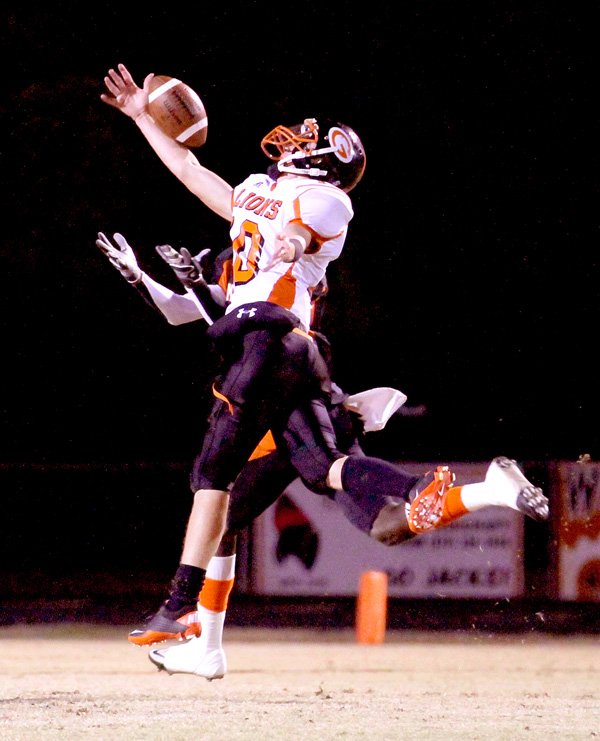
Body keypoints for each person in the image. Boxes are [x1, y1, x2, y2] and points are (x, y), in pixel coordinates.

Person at [100, 63, 550, 680]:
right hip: (287, 355)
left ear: (327, 161)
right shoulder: (256, 195)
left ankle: (181, 608)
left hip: (271, 345)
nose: (295, 139)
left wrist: (285, 242)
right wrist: (144, 118)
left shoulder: (326, 199)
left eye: (309, 140)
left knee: (213, 478)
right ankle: (479, 491)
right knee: (332, 478)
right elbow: (188, 170)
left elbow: (294, 236)